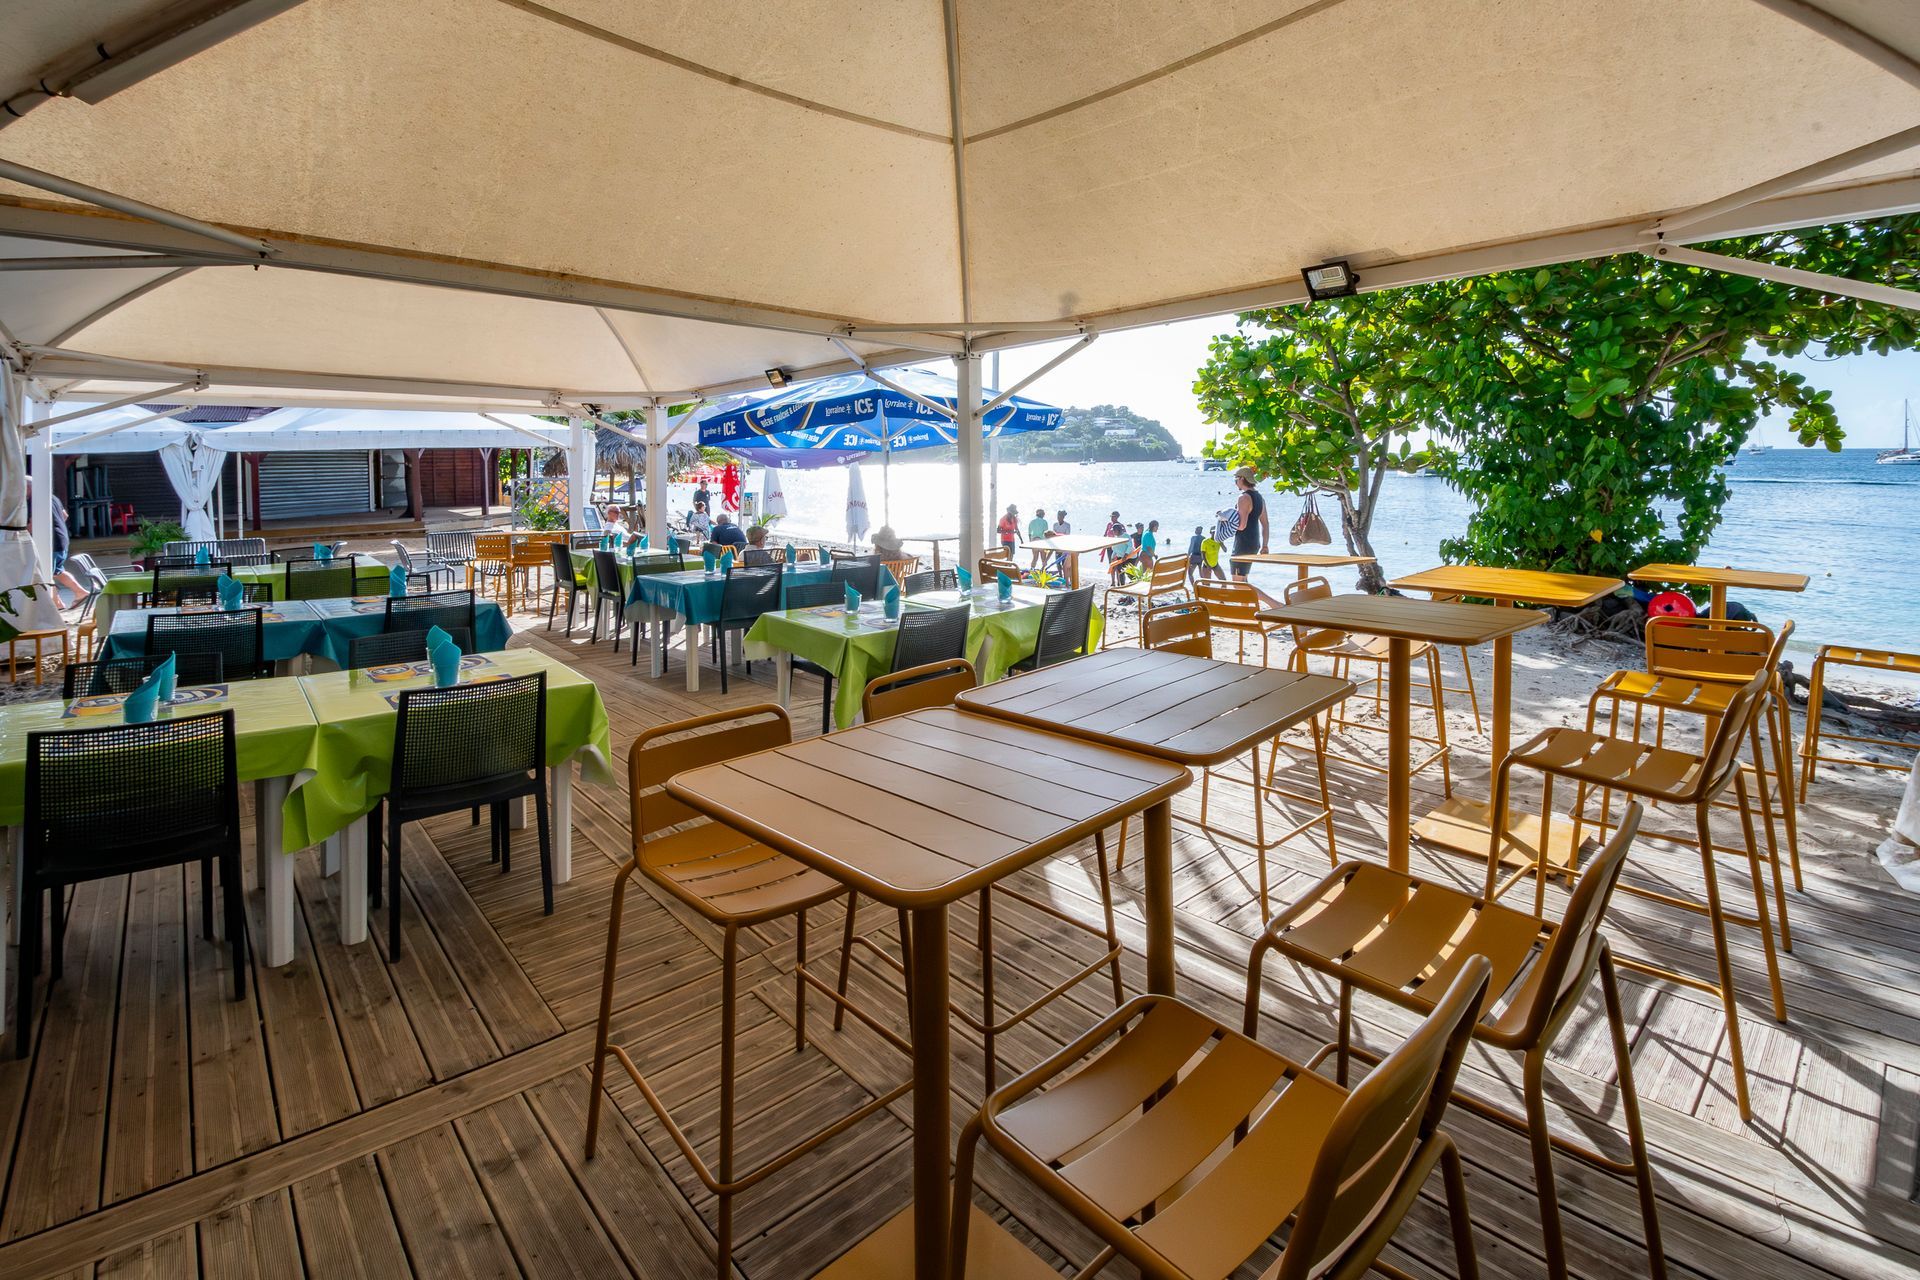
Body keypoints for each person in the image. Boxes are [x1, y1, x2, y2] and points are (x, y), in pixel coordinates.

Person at [25, 476, 86, 607]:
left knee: (45, 573)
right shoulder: (52, 497)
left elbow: (32, 524)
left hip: (50, 543)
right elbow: (64, 515)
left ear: (28, 487)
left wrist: (21, 534)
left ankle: (55, 603)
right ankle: (73, 596)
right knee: (56, 571)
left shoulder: (33, 501)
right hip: (62, 539)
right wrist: (55, 526)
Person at [1230, 466, 1279, 607]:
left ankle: (1275, 604)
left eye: (1236, 479)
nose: (1235, 482)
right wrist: (1265, 545)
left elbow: (1241, 526)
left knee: (1238, 584)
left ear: (1242, 479)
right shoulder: (1259, 498)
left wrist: (1225, 521)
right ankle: (1245, 611)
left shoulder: (1243, 497)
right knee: (1243, 580)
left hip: (1243, 542)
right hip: (1254, 543)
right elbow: (1265, 523)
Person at [1026, 504, 1050, 569]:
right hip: (1041, 541)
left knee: (1035, 557)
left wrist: (1030, 542)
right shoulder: (1044, 522)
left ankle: (1032, 570)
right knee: (1043, 558)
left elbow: (1029, 533)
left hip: (1034, 541)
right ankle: (1043, 571)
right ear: (1042, 514)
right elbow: (1046, 534)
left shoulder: (1032, 522)